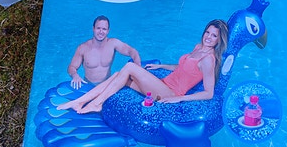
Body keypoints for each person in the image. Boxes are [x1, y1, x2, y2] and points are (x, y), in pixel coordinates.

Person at [58, 19, 228, 113]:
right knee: (118, 75)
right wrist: (162, 66)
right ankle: (78, 102)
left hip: (170, 93)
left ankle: (97, 104)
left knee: (130, 68)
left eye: (214, 36)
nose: (208, 37)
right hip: (161, 85)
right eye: (207, 32)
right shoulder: (198, 47)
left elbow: (209, 93)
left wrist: (179, 98)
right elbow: (183, 68)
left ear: (219, 40)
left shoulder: (208, 59)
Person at [66, 16, 141, 89]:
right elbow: (71, 67)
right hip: (88, 87)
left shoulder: (113, 44)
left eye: (104, 29)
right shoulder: (83, 48)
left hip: (107, 86)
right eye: (98, 28)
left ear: (108, 31)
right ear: (93, 29)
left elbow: (132, 52)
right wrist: (75, 75)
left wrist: (139, 69)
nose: (101, 32)